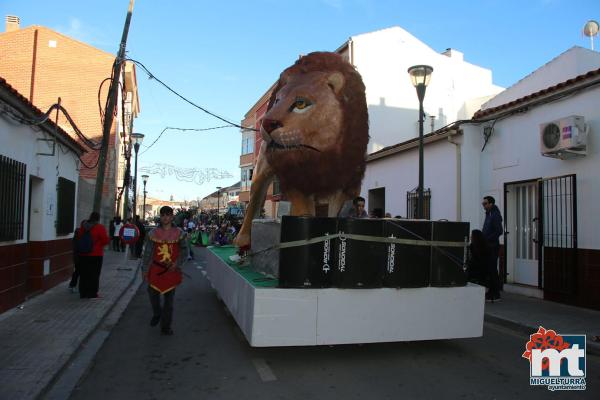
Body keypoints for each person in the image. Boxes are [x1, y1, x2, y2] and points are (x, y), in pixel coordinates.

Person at [141, 206, 188, 335]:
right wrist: (144, 269)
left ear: (172, 216)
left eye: (168, 215)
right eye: (163, 215)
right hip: (156, 269)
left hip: (171, 270)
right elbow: (147, 253)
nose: (165, 217)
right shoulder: (153, 233)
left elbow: (185, 251)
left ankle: (166, 327)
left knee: (169, 302)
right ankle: (157, 313)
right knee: (152, 294)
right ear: (160, 217)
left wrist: (177, 264)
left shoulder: (179, 233)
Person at [75, 212, 110, 299]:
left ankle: (83, 293)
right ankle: (92, 293)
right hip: (96, 255)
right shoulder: (100, 227)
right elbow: (105, 240)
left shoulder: (82, 227)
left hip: (83, 254)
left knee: (83, 274)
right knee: (94, 274)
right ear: (98, 218)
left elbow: (78, 238)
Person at [482, 196, 503, 302]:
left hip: (492, 247)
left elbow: (499, 231)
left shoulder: (495, 215)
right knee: (489, 270)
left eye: (485, 203)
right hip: (488, 246)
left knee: (492, 270)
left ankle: (496, 294)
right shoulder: (489, 214)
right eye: (483, 204)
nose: (484, 206)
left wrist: (487, 239)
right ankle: (491, 291)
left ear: (491, 204)